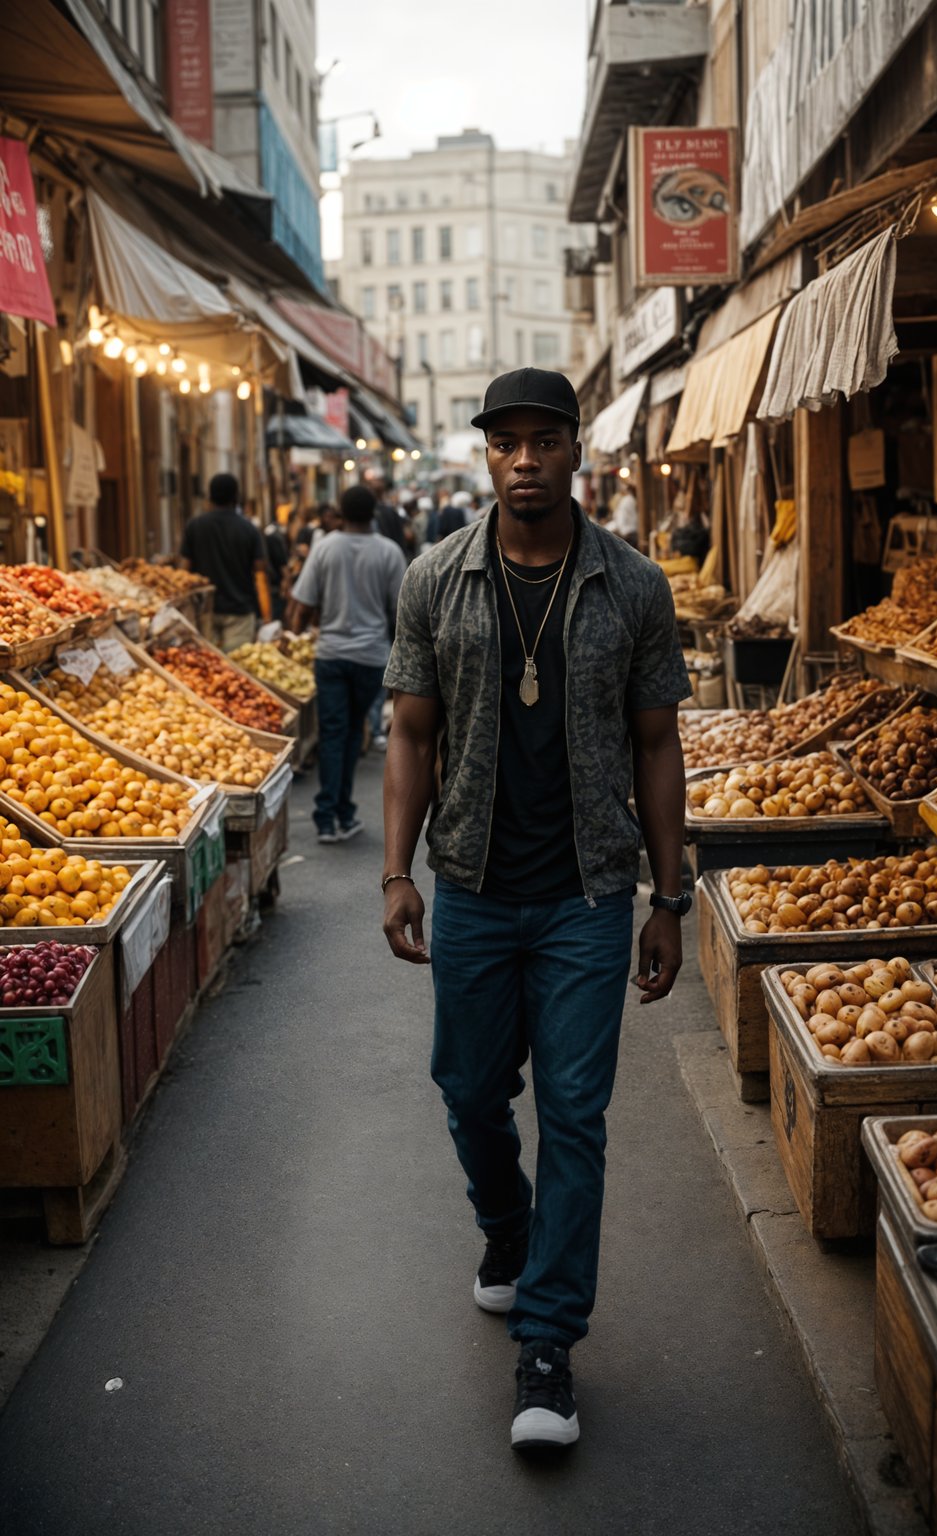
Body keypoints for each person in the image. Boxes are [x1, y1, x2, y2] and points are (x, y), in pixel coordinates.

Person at [381, 367, 691, 1453]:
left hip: (587, 897)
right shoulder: (432, 579)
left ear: (574, 452)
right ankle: (505, 1233)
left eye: (542, 440)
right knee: (466, 1091)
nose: (523, 459)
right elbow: (409, 733)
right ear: (485, 455)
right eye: (504, 441)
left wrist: (670, 895)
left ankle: (549, 1348)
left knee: (573, 1114)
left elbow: (659, 744)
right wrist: (395, 871)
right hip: (467, 884)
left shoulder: (633, 586)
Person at [287, 484, 405, 845]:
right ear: (374, 512)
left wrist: (296, 638)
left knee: (332, 733)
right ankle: (343, 811)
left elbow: (303, 604)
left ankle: (327, 816)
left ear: (340, 512)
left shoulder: (325, 548)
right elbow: (401, 612)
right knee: (354, 732)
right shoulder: (389, 552)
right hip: (370, 657)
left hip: (331, 655)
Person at [180, 472, 269, 653]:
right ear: (236, 497)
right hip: (240, 612)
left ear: (210, 496)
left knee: (207, 668)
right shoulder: (249, 529)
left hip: (205, 612)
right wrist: (267, 615)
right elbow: (260, 573)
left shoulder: (195, 526)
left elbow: (183, 572)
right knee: (237, 669)